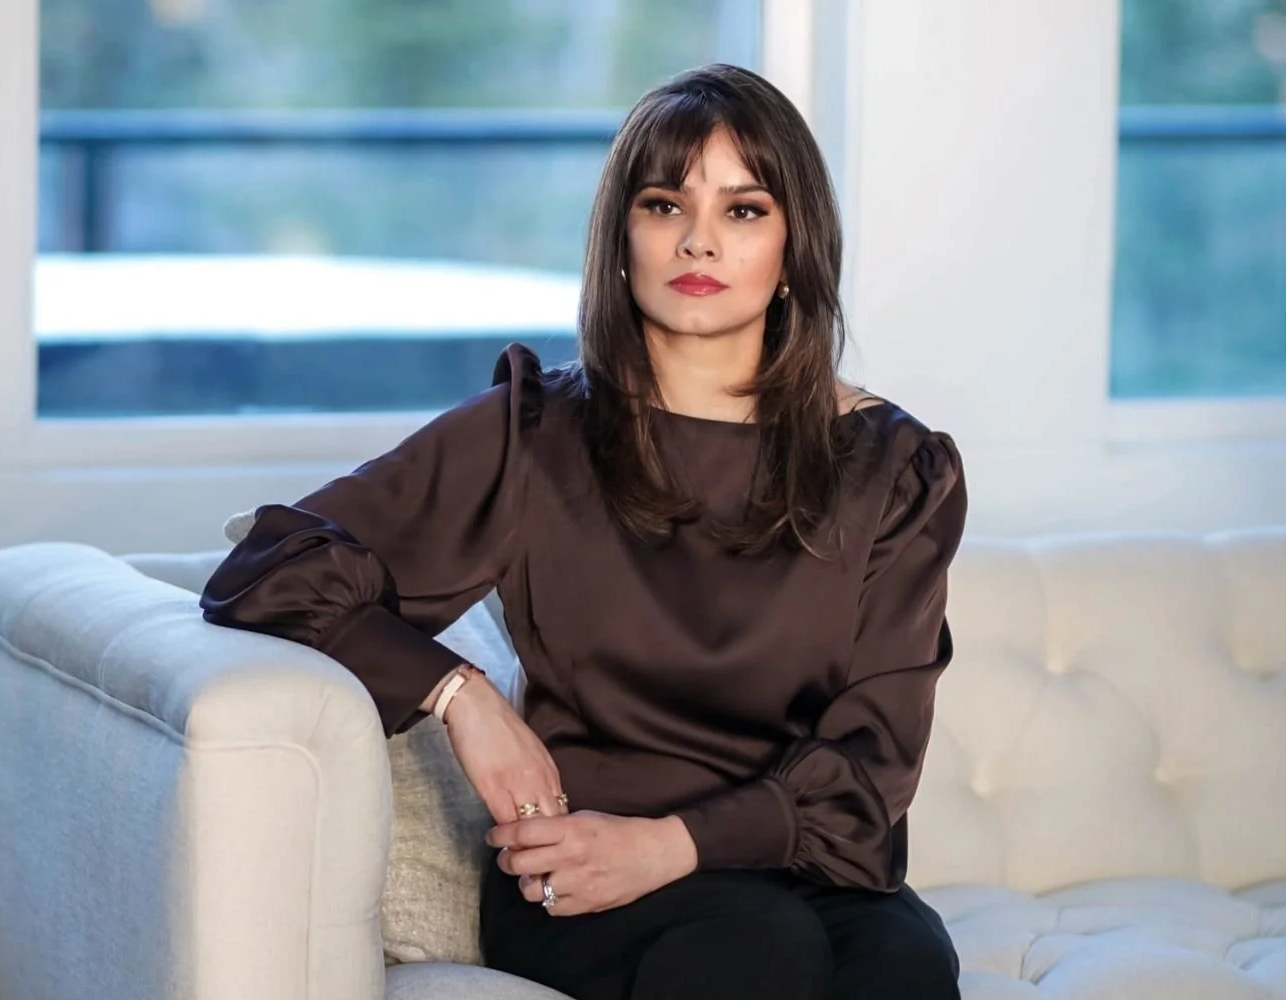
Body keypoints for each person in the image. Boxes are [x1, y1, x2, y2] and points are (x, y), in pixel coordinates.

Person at [200, 62, 967, 1000]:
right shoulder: (535, 435)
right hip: (581, 867)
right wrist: (458, 693)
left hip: (784, 856)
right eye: (663, 204)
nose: (698, 239)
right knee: (755, 944)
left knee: (904, 958)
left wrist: (674, 845)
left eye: (743, 210)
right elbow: (268, 569)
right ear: (621, 239)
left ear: (795, 247)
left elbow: (872, 771)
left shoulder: (894, 469)